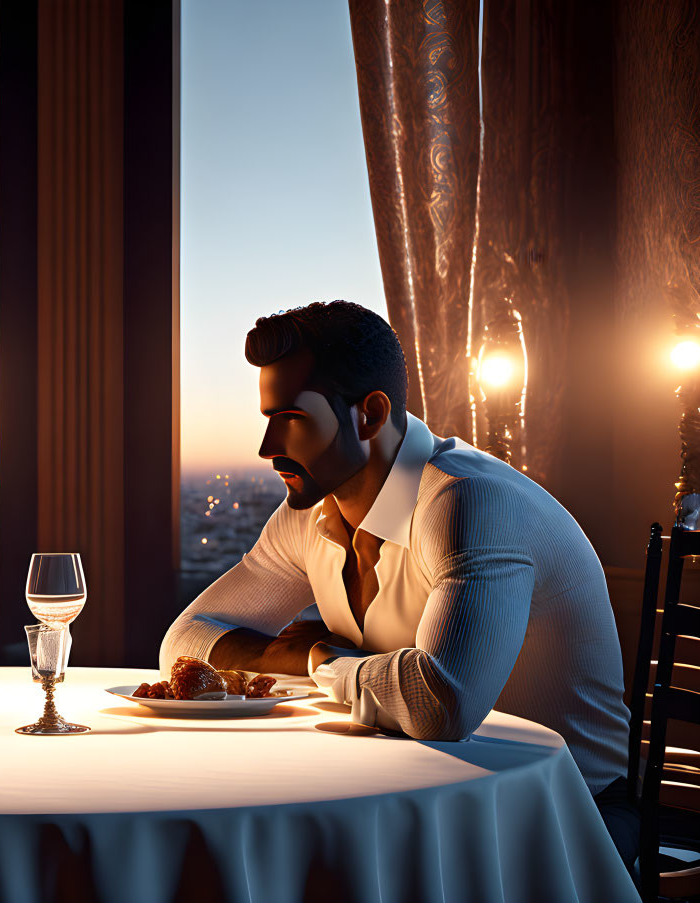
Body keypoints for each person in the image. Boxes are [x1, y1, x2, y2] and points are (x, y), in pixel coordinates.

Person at [161, 300, 637, 869]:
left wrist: (319, 660)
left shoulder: (467, 502)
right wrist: (308, 660)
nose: (267, 447)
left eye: (291, 418)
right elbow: (183, 643)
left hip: (562, 816)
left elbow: (441, 703)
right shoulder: (306, 514)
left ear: (370, 414)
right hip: (418, 797)